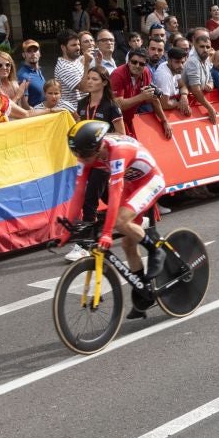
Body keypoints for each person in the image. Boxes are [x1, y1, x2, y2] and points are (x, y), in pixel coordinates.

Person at [60, 119, 166, 310]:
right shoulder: (88, 155)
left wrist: (108, 233)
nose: (80, 158)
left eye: (83, 154)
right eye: (76, 153)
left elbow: (115, 192)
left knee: (120, 222)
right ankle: (144, 289)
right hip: (131, 184)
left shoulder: (117, 150)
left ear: (97, 147)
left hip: (150, 181)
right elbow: (79, 192)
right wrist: (67, 229)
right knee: (127, 244)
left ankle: (156, 250)